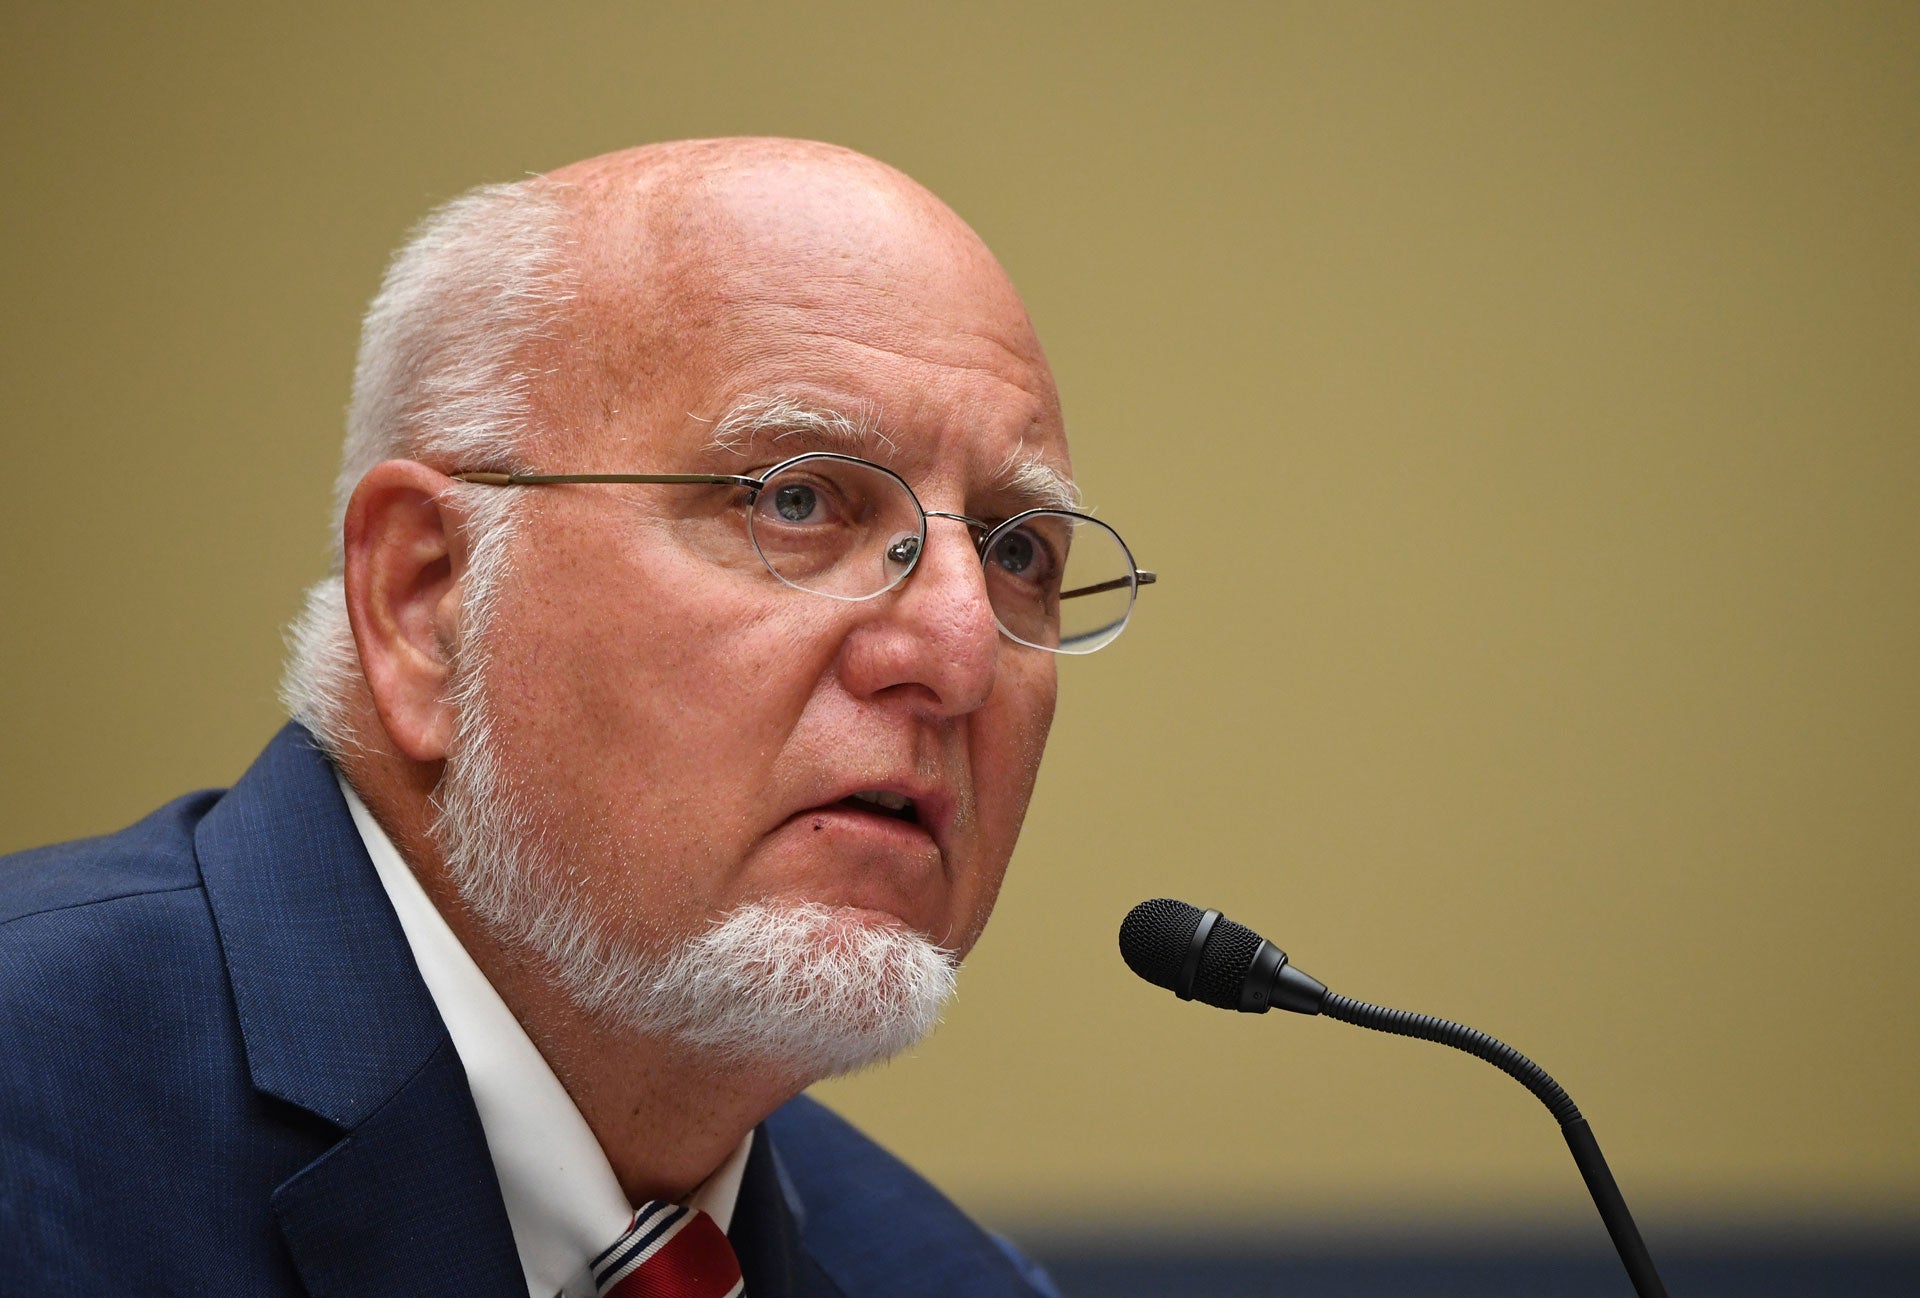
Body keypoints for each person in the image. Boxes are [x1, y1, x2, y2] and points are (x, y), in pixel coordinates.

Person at [0, 138, 1152, 1296]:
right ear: (427, 600)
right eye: (797, 499)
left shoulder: (947, 1278)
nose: (958, 652)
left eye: (1017, 553)